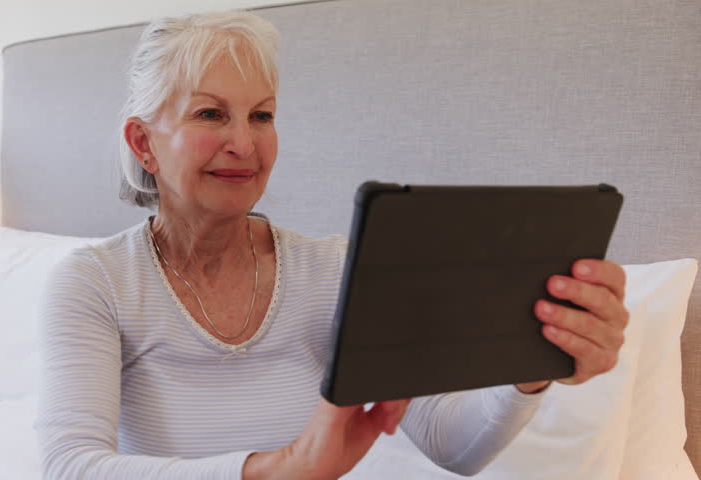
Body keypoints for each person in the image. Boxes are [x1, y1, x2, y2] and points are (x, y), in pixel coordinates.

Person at [34, 10, 629, 480]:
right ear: (144, 143)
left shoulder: (333, 270)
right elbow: (72, 467)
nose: (244, 143)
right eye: (212, 114)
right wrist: (278, 470)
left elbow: (454, 448)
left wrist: (530, 366)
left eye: (262, 116)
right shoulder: (94, 282)